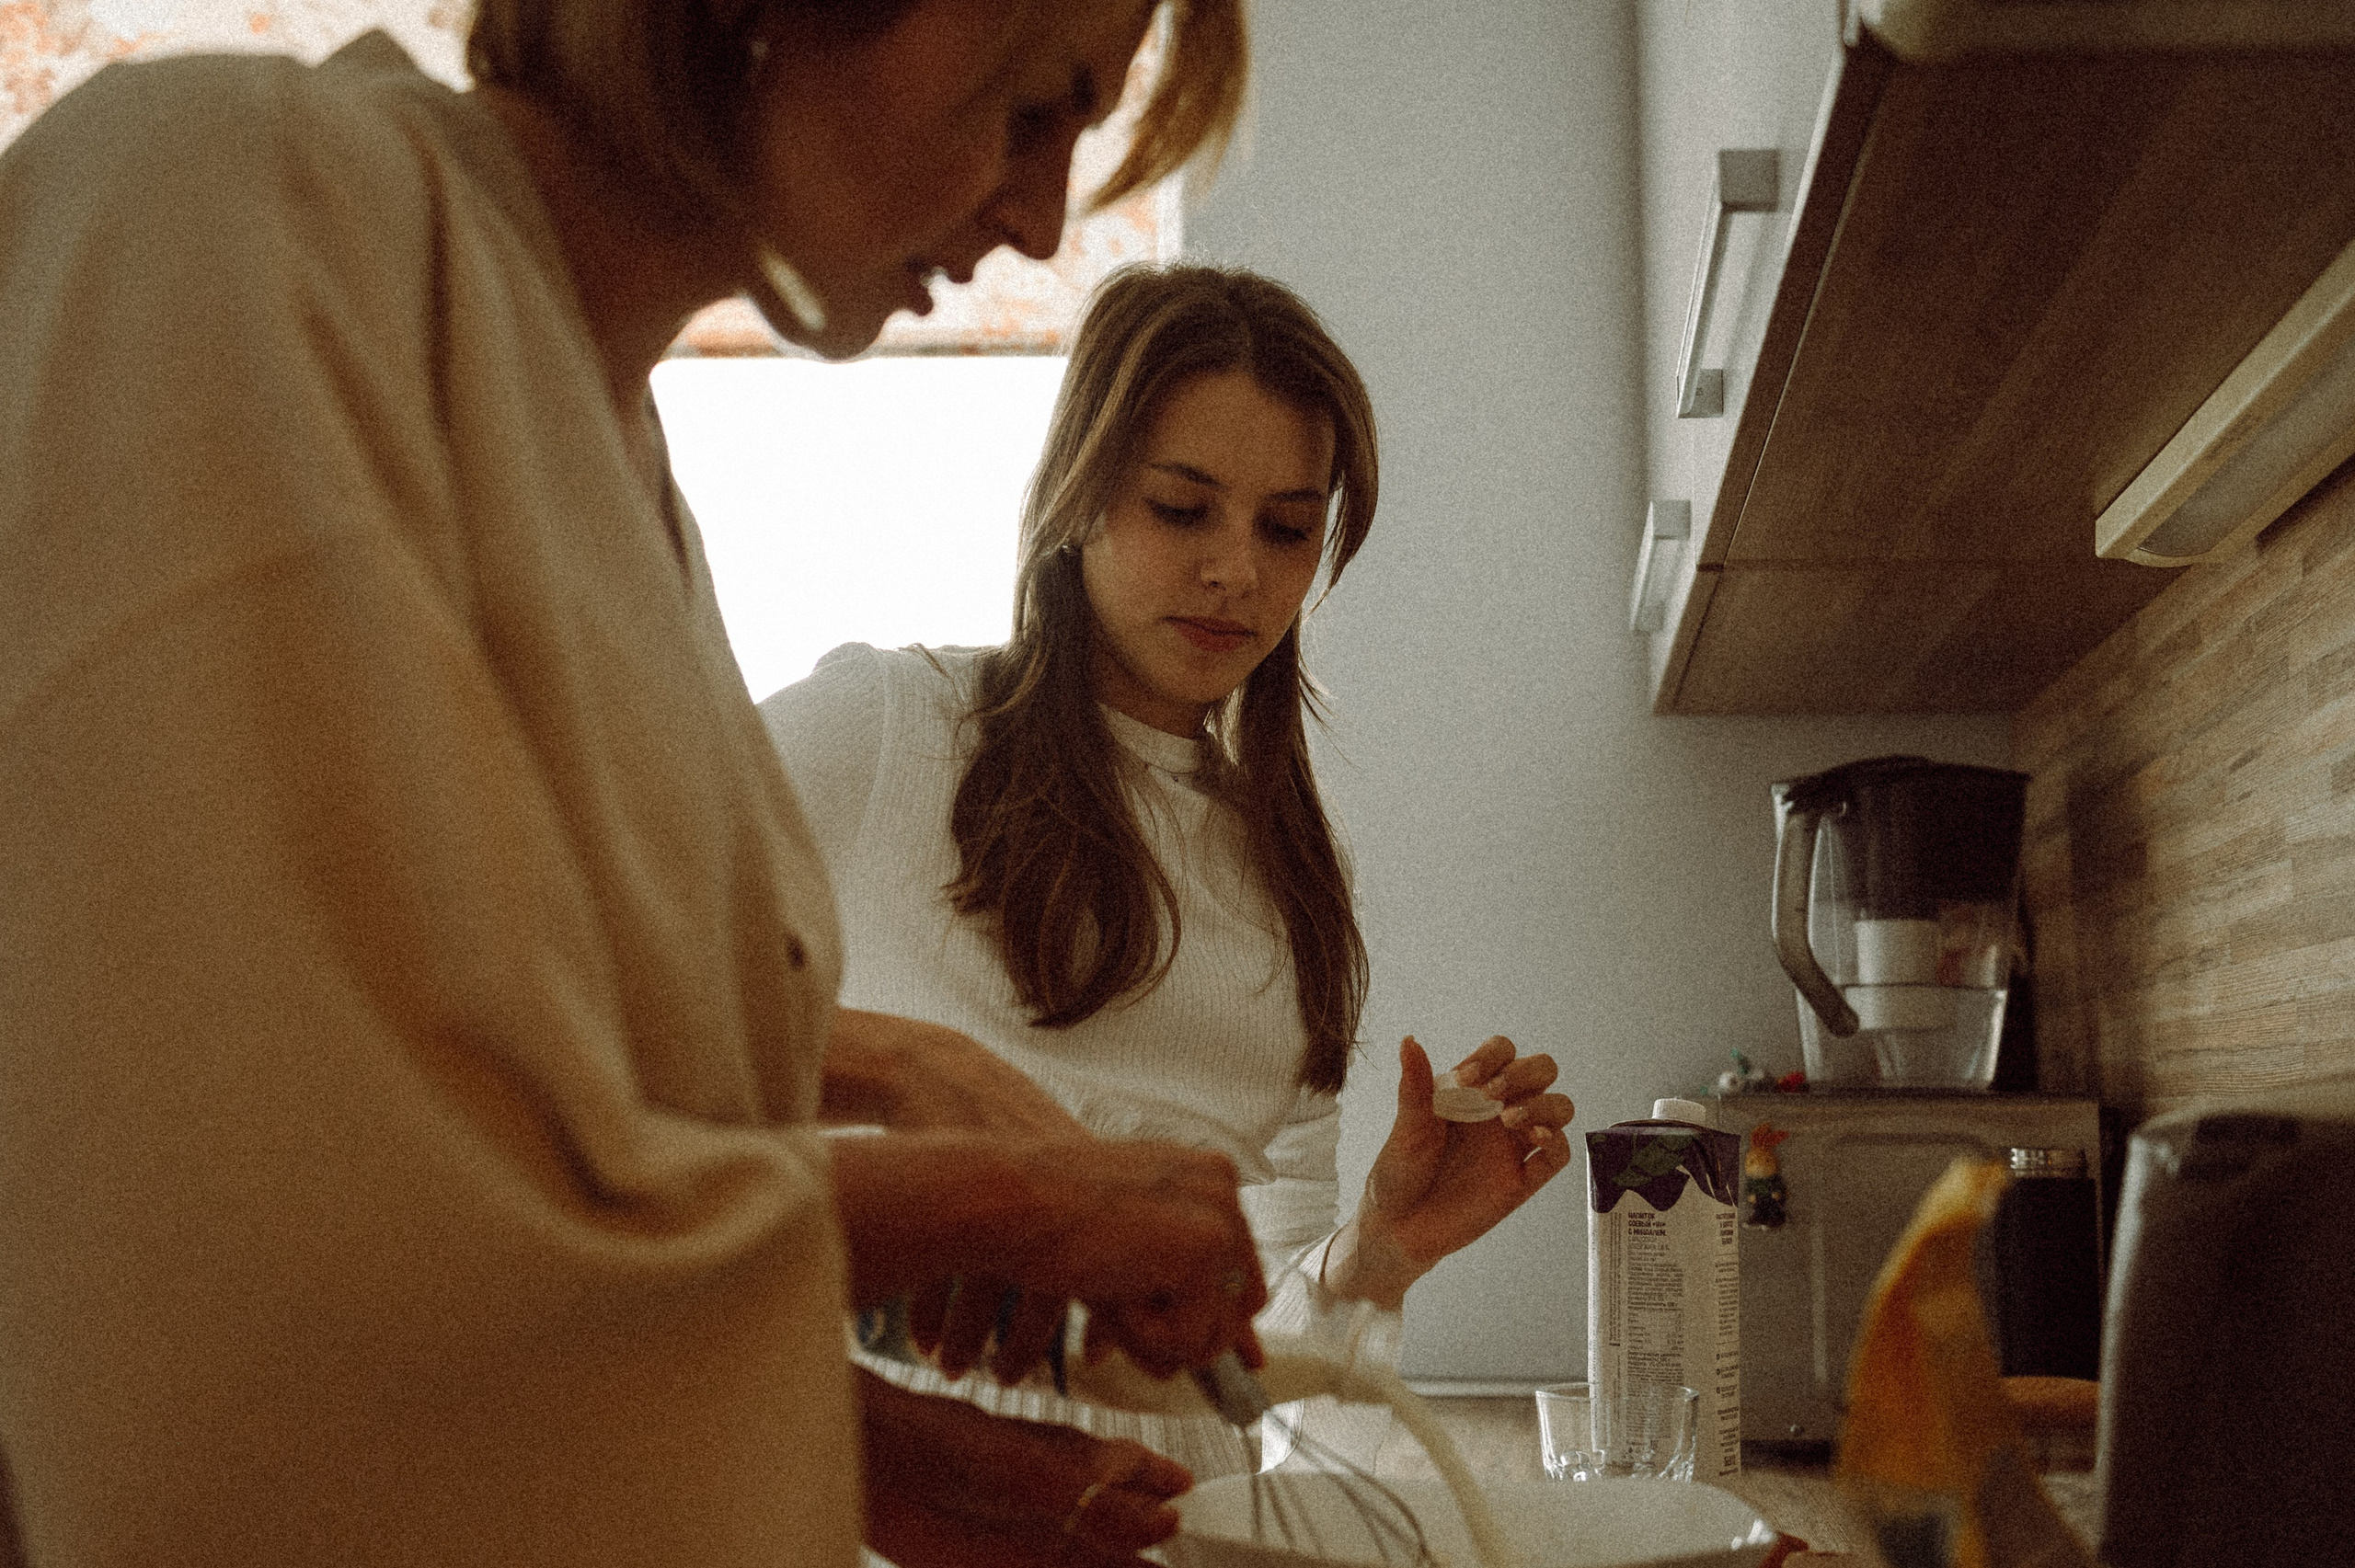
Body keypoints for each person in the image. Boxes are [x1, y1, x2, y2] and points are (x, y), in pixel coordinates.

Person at [0, 5, 1267, 1567]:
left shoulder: (628, 489)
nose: (1040, 217)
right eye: (1029, 107)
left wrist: (865, 1442)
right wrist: (1007, 1204)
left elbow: (547, 1212)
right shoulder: (227, 213)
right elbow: (263, 1238)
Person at [760, 263, 1579, 1476]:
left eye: (1287, 528)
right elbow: (596, 1001)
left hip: (1179, 1529)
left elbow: (1248, 1374)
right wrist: (904, 1078)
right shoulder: (881, 730)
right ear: (1081, 495)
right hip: (886, 1501)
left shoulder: (1296, 873)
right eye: (1183, 508)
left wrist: (1377, 1249)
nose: (1237, 571)